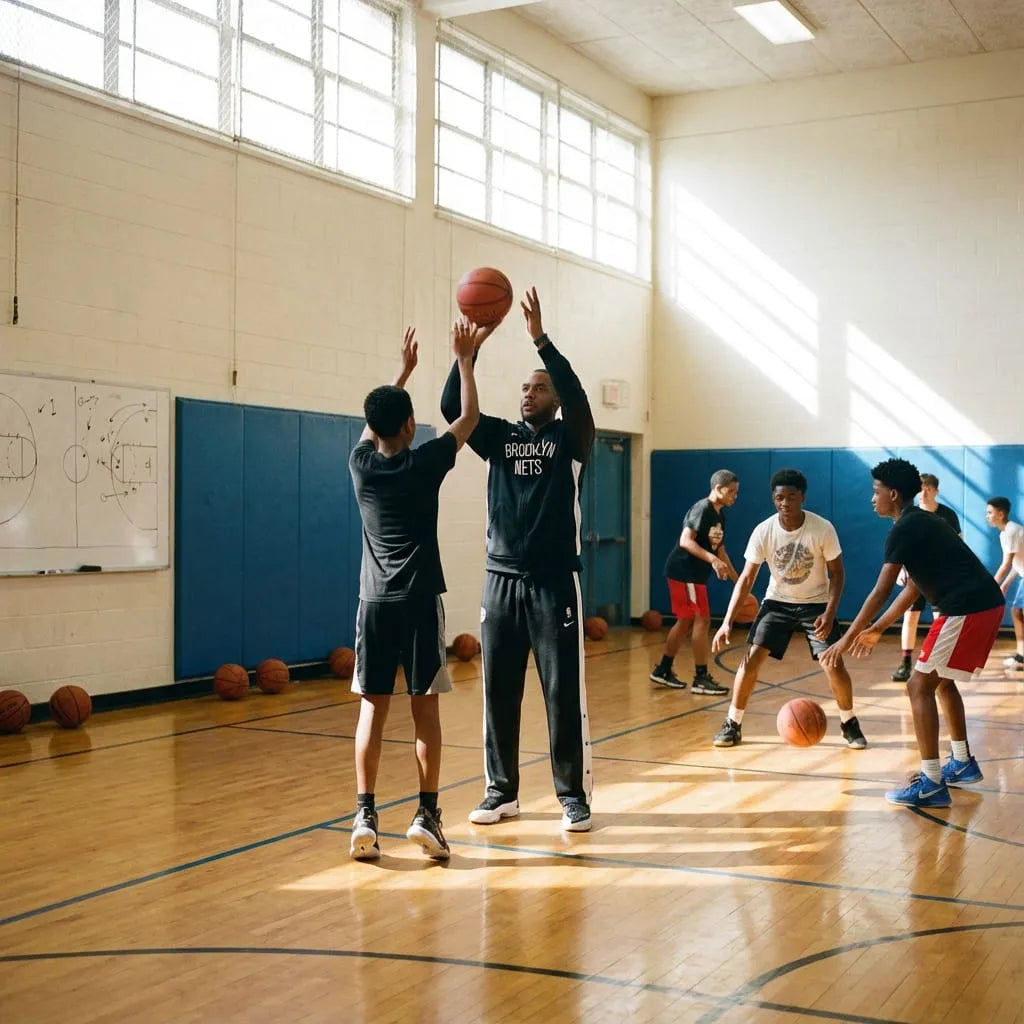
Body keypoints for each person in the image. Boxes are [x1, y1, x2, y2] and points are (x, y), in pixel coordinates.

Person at [440, 287, 596, 833]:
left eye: (539, 387)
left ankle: (572, 796)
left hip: (555, 583)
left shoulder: (571, 439)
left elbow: (577, 395)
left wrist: (540, 340)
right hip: (500, 582)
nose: (529, 393)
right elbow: (450, 409)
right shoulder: (501, 439)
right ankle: (501, 791)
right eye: (525, 387)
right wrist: (468, 353)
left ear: (555, 399)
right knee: (498, 690)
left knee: (560, 693)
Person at [347, 319, 485, 861]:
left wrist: (401, 373)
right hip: (419, 603)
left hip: (373, 604)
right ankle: (427, 814)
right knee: (424, 713)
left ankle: (364, 814)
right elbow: (468, 418)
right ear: (409, 425)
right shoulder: (425, 462)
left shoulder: (359, 466)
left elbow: (370, 426)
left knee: (371, 713)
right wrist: (465, 359)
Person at [821, 458, 1004, 808]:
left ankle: (932, 783)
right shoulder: (920, 523)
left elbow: (880, 590)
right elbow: (913, 588)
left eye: (875, 493)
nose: (871, 499)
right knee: (942, 682)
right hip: (981, 604)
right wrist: (877, 628)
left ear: (892, 494)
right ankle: (962, 762)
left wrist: (844, 639)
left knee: (917, 686)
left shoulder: (903, 529)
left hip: (966, 608)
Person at [710, 469, 867, 750]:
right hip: (777, 602)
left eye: (791, 497)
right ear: (773, 498)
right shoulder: (764, 530)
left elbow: (838, 574)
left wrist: (830, 613)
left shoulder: (822, 529)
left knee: (833, 663)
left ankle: (849, 723)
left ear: (802, 498)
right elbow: (746, 578)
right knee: (752, 658)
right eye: (779, 497)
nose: (785, 503)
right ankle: (732, 723)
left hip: (815, 604)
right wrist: (726, 622)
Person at [650, 470, 739, 695]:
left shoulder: (720, 516)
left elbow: (720, 549)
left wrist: (739, 582)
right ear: (718, 488)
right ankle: (700, 678)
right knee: (702, 620)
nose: (735, 496)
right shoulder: (703, 509)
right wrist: (712, 561)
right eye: (732, 492)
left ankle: (663, 670)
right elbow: (685, 541)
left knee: (686, 621)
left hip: (694, 575)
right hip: (684, 571)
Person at [890, 473, 961, 682]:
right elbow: (899, 546)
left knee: (940, 620)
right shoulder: (910, 515)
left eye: (929, 488)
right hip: (916, 575)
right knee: (910, 617)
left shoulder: (948, 515)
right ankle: (905, 663)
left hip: (940, 577)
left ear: (936, 491)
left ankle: (938, 661)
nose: (924, 493)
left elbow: (959, 545)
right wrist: (901, 568)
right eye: (921, 488)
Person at [986, 496, 1024, 672]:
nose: (987, 516)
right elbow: (1017, 564)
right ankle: (1021, 655)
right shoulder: (1006, 532)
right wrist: (1005, 585)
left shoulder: (1011, 531)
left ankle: (1021, 656)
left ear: (1000, 514)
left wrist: (992, 585)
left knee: (1016, 612)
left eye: (990, 512)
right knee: (1017, 612)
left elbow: (1007, 564)